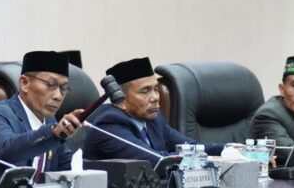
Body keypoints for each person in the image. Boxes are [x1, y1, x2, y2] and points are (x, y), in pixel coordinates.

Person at [0, 51, 84, 188]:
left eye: (64, 88)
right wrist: (53, 134)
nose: (58, 96)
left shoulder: (50, 120)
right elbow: (8, 149)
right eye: (51, 84)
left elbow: (68, 165)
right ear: (24, 83)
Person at [83, 57, 223, 166]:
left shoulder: (153, 119)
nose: (155, 97)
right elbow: (156, 160)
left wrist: (228, 149)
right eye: (145, 91)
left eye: (156, 89)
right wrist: (209, 159)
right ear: (122, 101)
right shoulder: (108, 124)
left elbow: (190, 147)